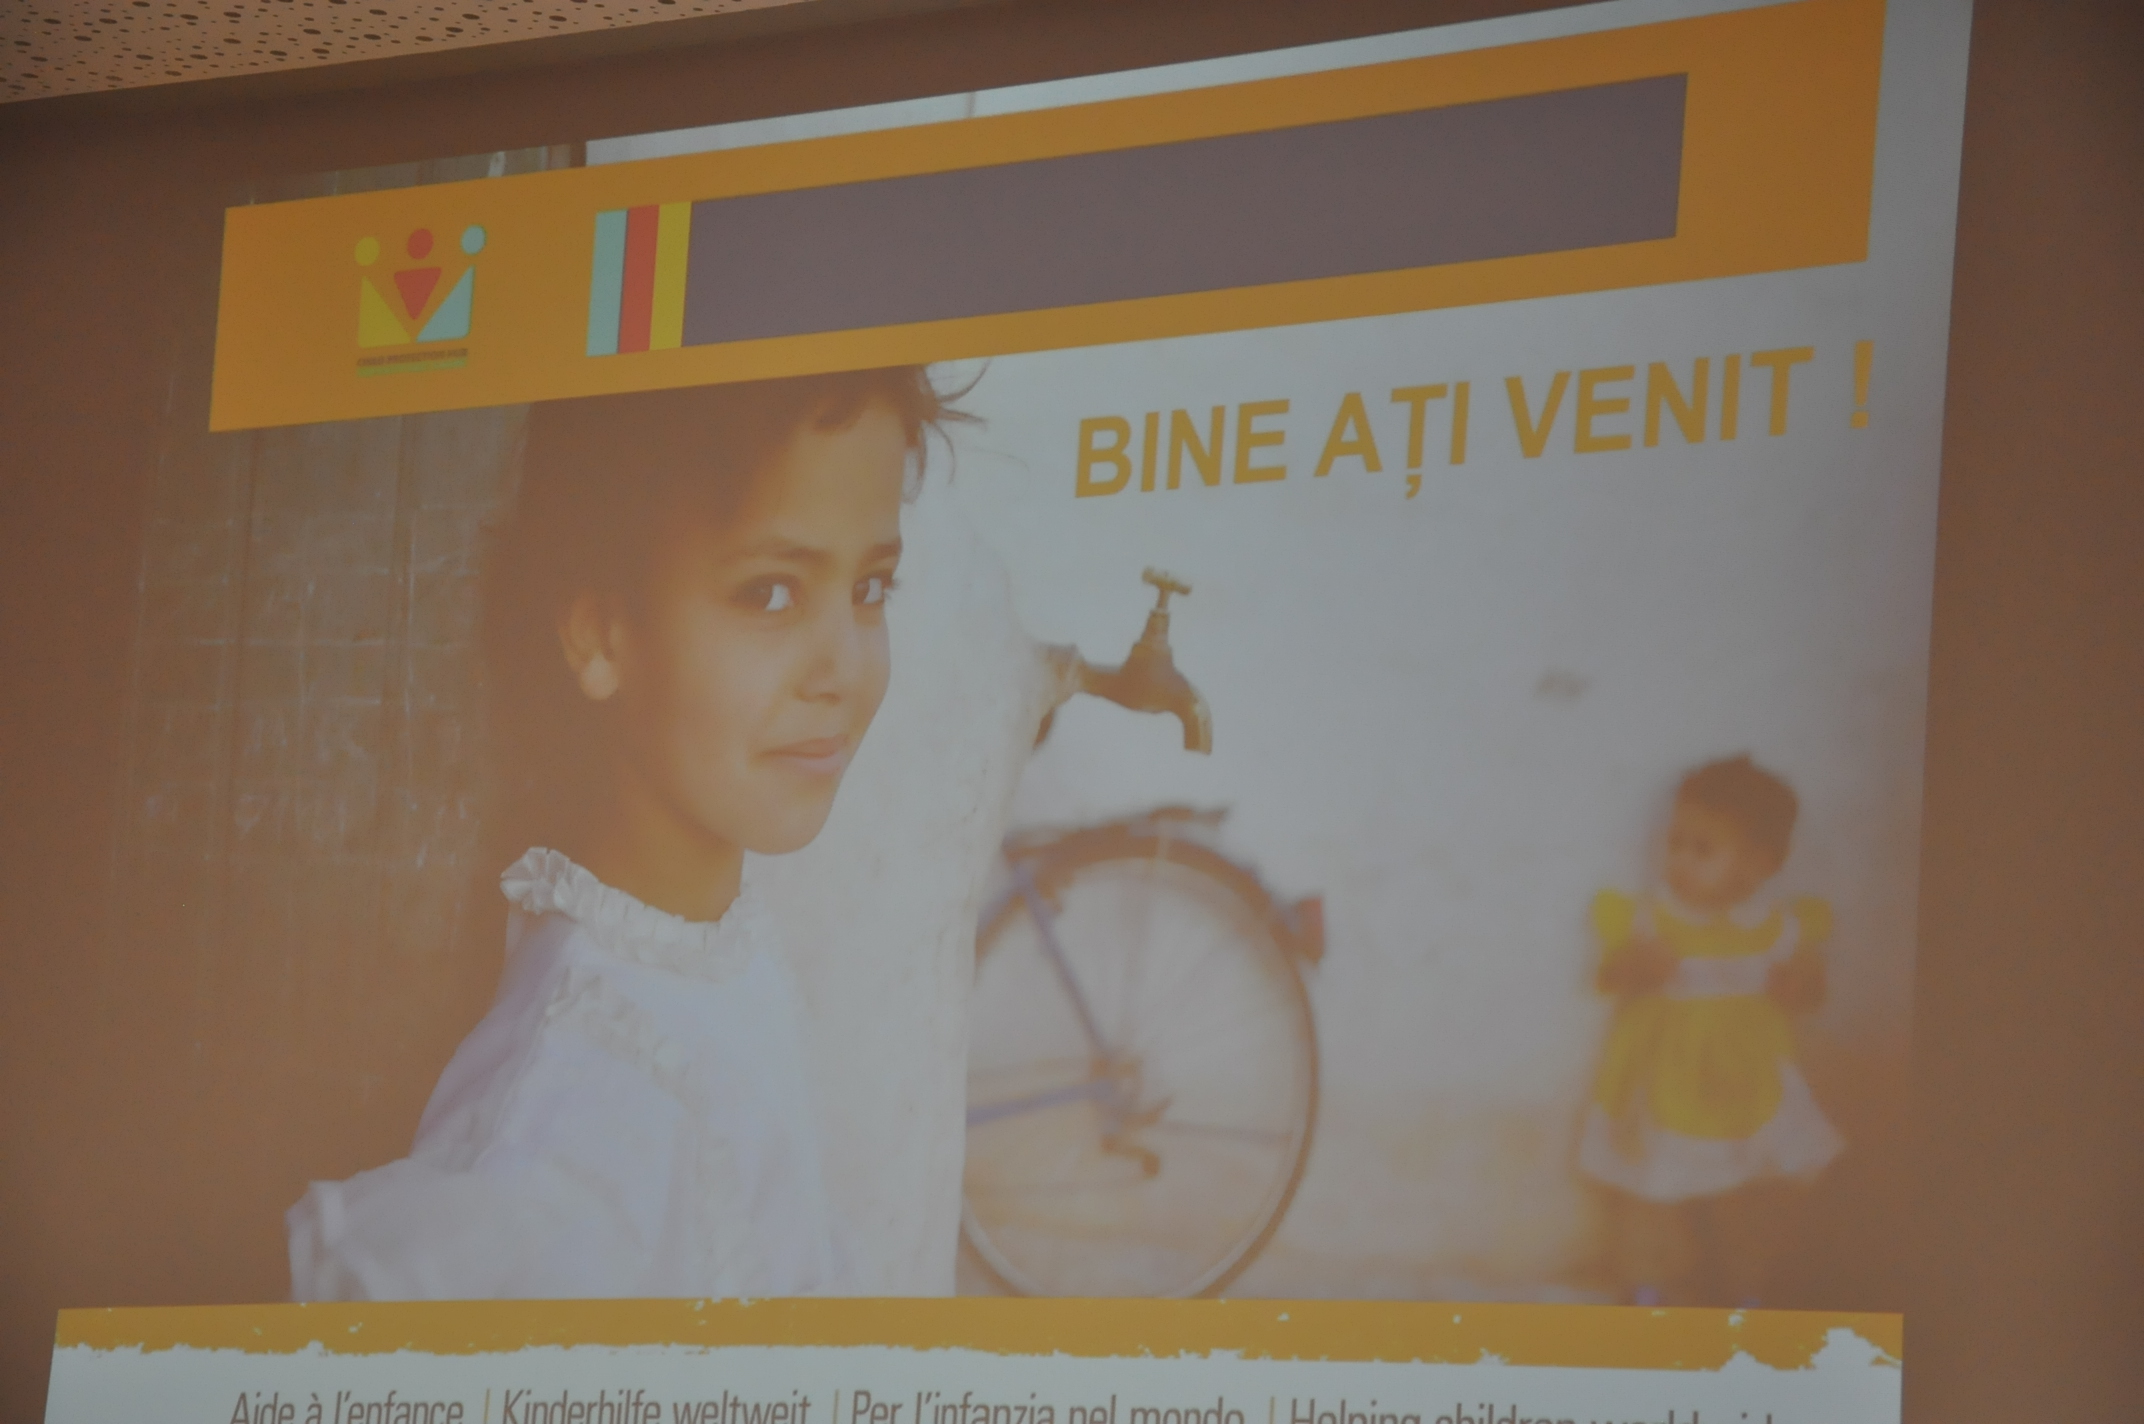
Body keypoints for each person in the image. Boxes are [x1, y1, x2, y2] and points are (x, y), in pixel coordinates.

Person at [287, 368, 964, 1301]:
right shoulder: (577, 1123)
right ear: (601, 635)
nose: (842, 668)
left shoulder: (707, 953)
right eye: (771, 594)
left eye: (871, 587)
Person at [1575, 754, 1843, 1306]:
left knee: (1747, 1191)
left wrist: (1799, 986)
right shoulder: (1650, 918)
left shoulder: (1779, 928)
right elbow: (1608, 976)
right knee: (1652, 1186)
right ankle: (1649, 1281)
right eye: (1676, 843)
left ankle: (1746, 1287)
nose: (1680, 860)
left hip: (1745, 1089)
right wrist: (1636, 967)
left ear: (1757, 865)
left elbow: (1812, 993)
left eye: (1703, 850)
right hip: (1663, 1082)